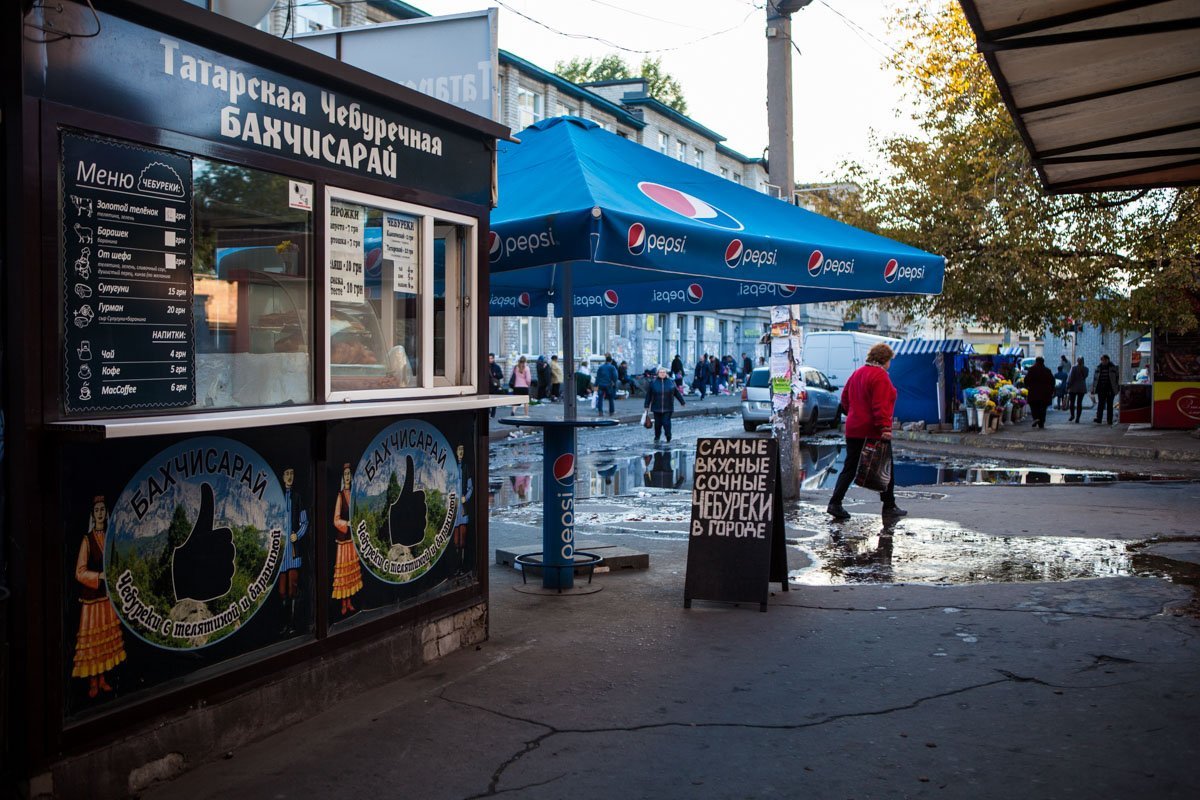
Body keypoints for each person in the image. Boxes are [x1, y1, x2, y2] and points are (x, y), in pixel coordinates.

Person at [826, 342, 905, 521]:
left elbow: (844, 399)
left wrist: (853, 414)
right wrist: (884, 428)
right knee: (886, 467)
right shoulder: (880, 376)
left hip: (854, 428)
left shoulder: (857, 373)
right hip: (873, 429)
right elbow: (881, 406)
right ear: (885, 359)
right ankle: (889, 505)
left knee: (850, 467)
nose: (890, 364)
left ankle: (835, 502)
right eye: (889, 360)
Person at [72, 496, 126, 699]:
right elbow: (79, 572)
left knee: (104, 642)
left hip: (106, 598)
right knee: (93, 642)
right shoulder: (87, 540)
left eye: (103, 509)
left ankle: (102, 680)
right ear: (93, 515)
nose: (100, 513)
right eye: (97, 510)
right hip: (92, 601)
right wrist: (99, 576)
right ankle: (92, 682)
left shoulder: (110, 538)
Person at [643, 365, 686, 444]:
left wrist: (682, 402)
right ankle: (657, 437)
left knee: (666, 422)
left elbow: (676, 393)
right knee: (658, 424)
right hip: (656, 407)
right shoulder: (653, 383)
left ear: (666, 373)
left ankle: (668, 436)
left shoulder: (671, 382)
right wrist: (646, 405)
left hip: (668, 407)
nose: (662, 373)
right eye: (660, 372)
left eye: (664, 372)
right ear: (658, 373)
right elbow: (648, 395)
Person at [1023, 356, 1056, 429]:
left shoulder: (1032, 370)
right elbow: (1052, 381)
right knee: (1043, 408)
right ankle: (1041, 422)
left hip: (1033, 393)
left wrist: (1028, 386)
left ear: (1036, 362)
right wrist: (1051, 391)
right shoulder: (1047, 370)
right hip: (1045, 394)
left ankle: (1036, 418)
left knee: (1034, 406)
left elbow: (1026, 380)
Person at [1092, 354, 1120, 425]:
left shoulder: (1113, 367)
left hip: (1110, 389)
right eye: (1102, 360)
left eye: (1104, 360)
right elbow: (1095, 379)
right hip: (1101, 389)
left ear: (1108, 360)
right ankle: (1099, 418)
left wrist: (1117, 387)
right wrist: (1093, 388)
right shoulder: (1098, 368)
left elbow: (1117, 378)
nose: (1103, 361)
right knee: (1100, 404)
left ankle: (1109, 420)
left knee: (1110, 405)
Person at [1066, 357, 1089, 422]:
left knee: (1072, 402)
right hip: (1082, 388)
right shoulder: (1086, 369)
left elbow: (1070, 378)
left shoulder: (1073, 368)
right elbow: (1085, 376)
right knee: (1079, 403)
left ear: (1077, 361)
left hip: (1073, 388)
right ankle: (1078, 418)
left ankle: (1072, 415)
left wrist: (1067, 386)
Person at [487, 353, 504, 418]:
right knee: (487, 400)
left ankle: (492, 414)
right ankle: (488, 412)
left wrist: (495, 375)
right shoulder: (486, 366)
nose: (490, 360)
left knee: (494, 401)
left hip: (494, 386)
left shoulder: (497, 367)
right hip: (487, 386)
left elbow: (501, 376)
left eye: (491, 358)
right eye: (488, 358)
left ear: (493, 359)